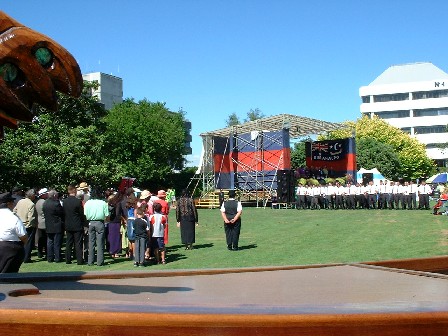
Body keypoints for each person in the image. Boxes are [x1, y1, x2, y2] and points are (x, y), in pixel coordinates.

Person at [0, 192, 28, 273]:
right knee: (10, 276)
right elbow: (23, 236)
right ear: (8, 204)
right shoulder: (13, 217)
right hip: (11, 250)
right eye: (13, 203)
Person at [84, 188, 109, 266]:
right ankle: (100, 261)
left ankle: (90, 261)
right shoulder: (103, 203)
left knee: (91, 243)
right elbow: (107, 215)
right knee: (100, 243)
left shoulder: (87, 203)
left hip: (90, 222)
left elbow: (85, 214)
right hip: (100, 222)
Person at [62, 184, 86, 265]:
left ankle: (68, 259)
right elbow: (81, 214)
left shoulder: (64, 202)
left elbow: (63, 213)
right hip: (77, 224)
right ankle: (79, 260)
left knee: (69, 243)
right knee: (78, 243)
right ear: (74, 191)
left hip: (68, 224)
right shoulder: (77, 202)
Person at [13, 189, 37, 263]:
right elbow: (31, 217)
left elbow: (14, 211)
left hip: (19, 224)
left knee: (20, 242)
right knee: (28, 243)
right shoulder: (31, 204)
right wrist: (31, 225)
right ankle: (26, 258)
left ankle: (20, 256)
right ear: (32, 196)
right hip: (27, 226)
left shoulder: (20, 201)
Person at [42, 189, 64, 263]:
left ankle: (50, 258)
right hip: (57, 225)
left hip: (48, 225)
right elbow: (61, 212)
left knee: (49, 242)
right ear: (54, 195)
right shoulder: (56, 203)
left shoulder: (45, 203)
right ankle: (57, 257)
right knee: (57, 243)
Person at [35, 188, 48, 259]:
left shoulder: (37, 202)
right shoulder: (44, 202)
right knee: (45, 239)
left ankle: (39, 253)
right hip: (44, 222)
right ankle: (46, 252)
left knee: (40, 239)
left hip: (39, 222)